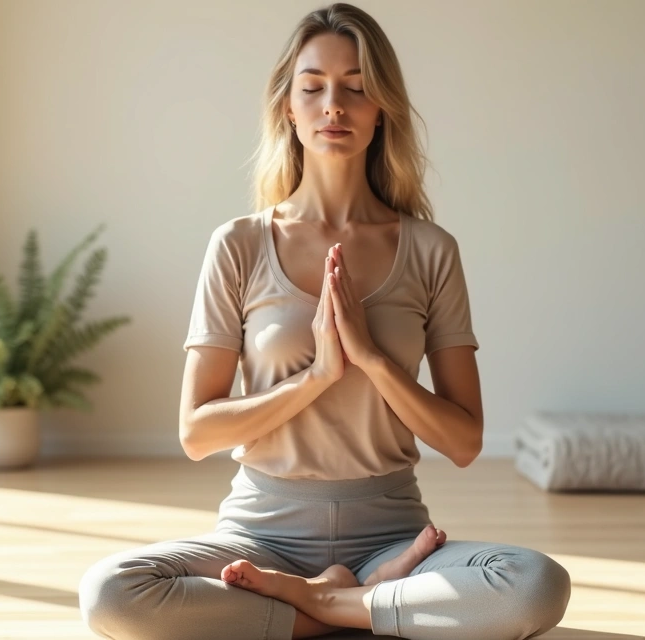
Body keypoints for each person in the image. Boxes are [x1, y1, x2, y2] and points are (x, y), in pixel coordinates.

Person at [78, 3, 571, 638]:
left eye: (356, 88)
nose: (334, 106)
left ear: (381, 107)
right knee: (112, 594)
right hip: (259, 537)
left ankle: (323, 606)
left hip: (393, 537)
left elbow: (464, 442)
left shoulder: (431, 249)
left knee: (534, 584)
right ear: (288, 106)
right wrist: (315, 378)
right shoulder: (239, 244)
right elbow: (196, 433)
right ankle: (364, 607)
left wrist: (372, 361)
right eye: (313, 87)